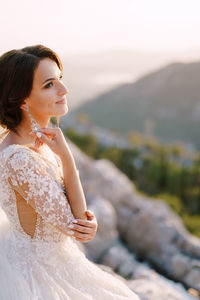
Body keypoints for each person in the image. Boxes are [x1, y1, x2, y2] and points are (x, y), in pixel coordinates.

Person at [0, 44, 140, 299]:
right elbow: (77, 226)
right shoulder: (19, 158)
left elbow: (76, 220)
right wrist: (66, 157)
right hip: (40, 274)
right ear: (21, 100)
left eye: (60, 80)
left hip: (54, 262)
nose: (64, 90)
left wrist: (86, 221)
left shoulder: (30, 144)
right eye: (49, 84)